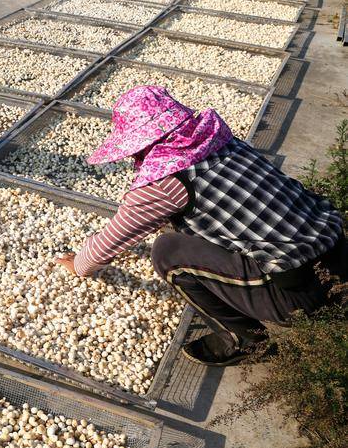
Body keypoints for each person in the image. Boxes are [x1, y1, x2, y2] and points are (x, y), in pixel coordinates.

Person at [56, 86, 346, 366]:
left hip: (301, 293)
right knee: (191, 225)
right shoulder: (219, 138)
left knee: (167, 251)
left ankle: (245, 340)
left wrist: (80, 264)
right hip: (339, 254)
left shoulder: (164, 183)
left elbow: (111, 240)